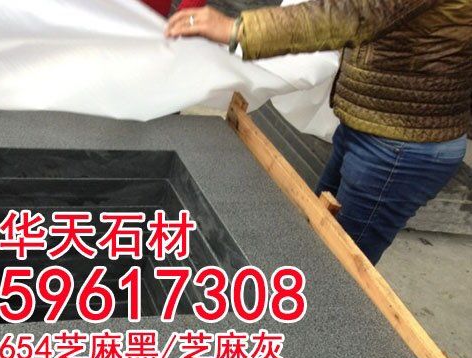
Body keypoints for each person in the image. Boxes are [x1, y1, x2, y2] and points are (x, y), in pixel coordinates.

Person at [166, 1, 471, 264]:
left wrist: (239, 30)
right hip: (375, 127)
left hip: (401, 146)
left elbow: (353, 14)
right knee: (317, 241)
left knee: (338, 268)